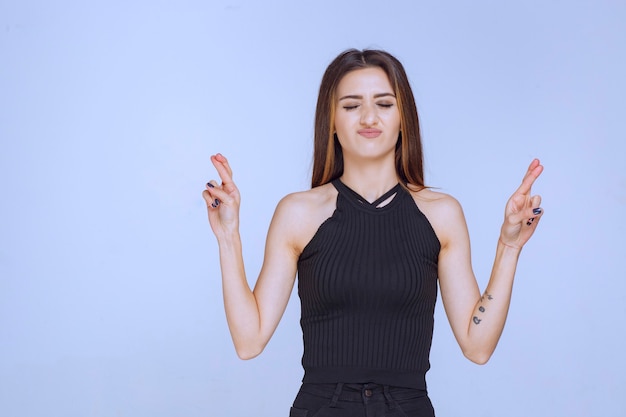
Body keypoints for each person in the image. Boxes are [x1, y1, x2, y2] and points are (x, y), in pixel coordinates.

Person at [202, 49, 544, 417]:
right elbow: (248, 340)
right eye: (351, 106)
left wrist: (509, 246)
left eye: (384, 104)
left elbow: (477, 347)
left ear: (403, 119)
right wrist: (228, 236)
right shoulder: (298, 213)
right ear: (331, 121)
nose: (368, 117)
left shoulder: (441, 214)